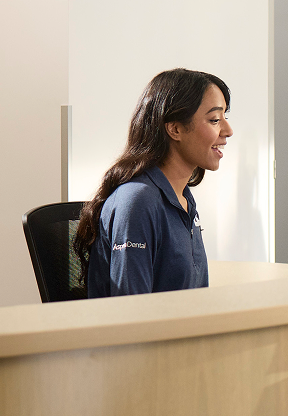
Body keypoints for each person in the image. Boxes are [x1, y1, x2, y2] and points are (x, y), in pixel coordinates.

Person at [74, 68, 234, 298]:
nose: (228, 130)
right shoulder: (138, 201)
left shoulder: (183, 198)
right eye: (215, 120)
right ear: (175, 129)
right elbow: (132, 313)